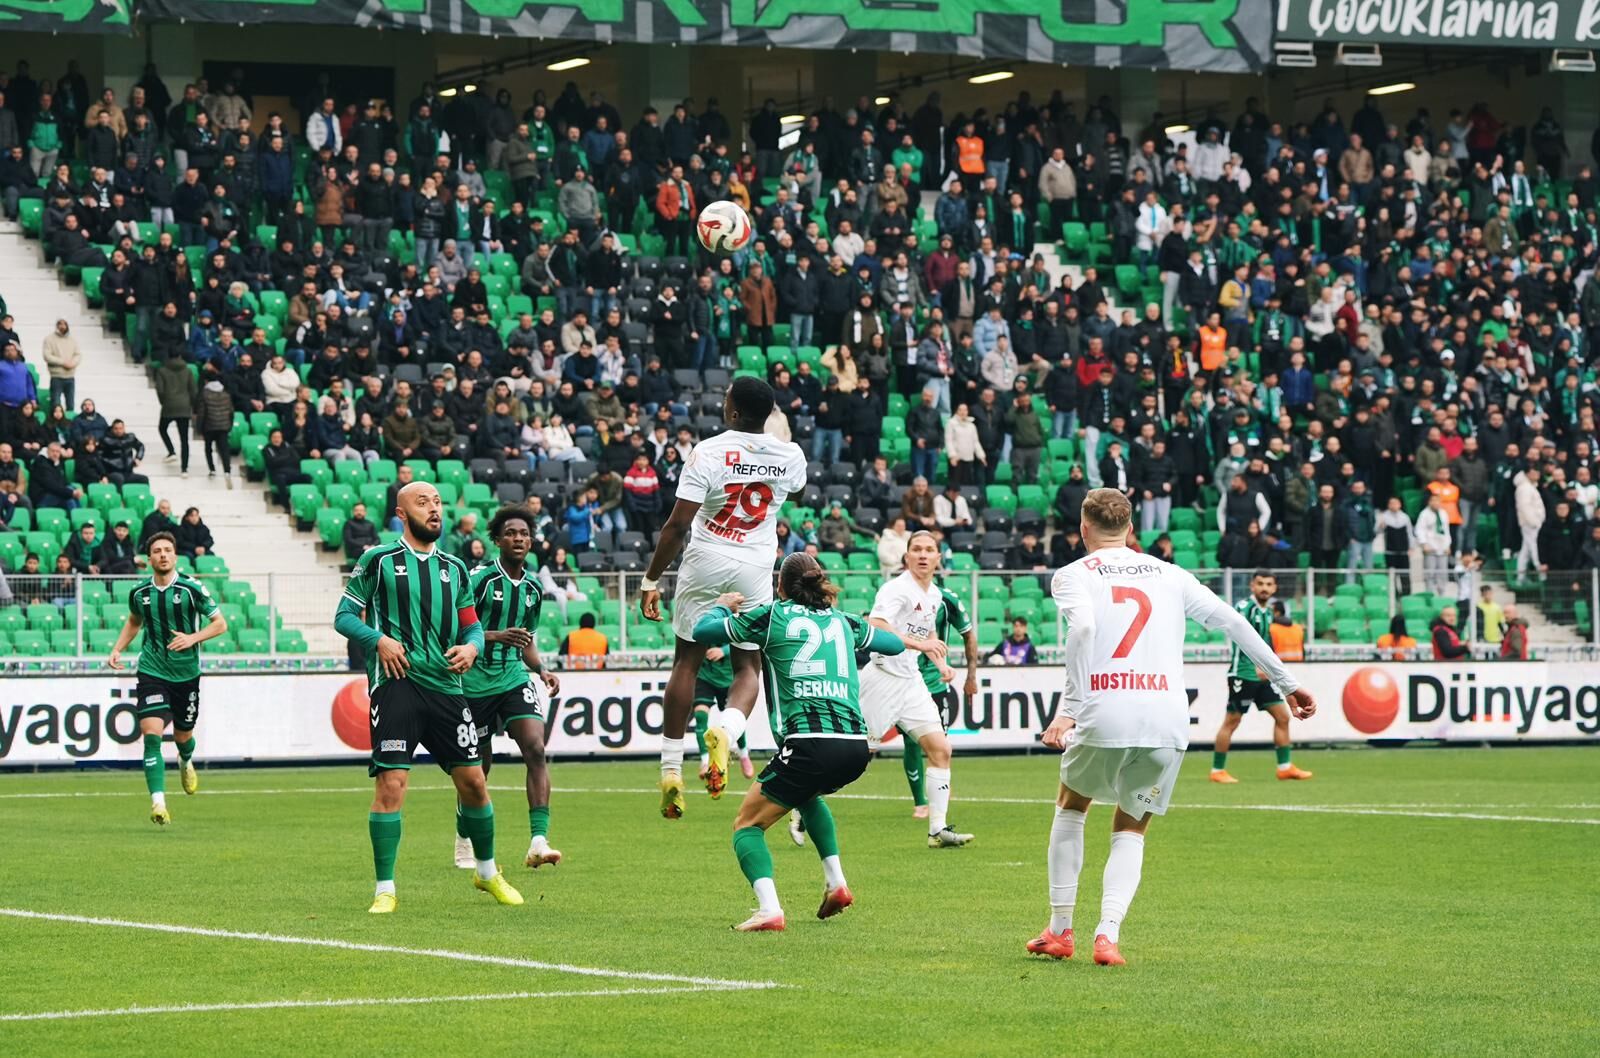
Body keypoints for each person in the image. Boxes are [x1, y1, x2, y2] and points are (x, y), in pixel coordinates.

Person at [1033, 489, 1315, 965]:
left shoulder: (1073, 575)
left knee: (1072, 806)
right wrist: (1287, 681)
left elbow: (1080, 630)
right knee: (1132, 826)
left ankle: (1061, 929)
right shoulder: (1170, 573)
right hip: (1167, 717)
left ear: (1083, 529)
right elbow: (1232, 622)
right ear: (1130, 529)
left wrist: (1069, 709)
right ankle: (1108, 934)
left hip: (1105, 709)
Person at [690, 552, 907, 932]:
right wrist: (862, 627)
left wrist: (721, 607)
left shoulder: (773, 616)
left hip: (809, 741)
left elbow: (703, 633)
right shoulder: (844, 622)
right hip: (856, 745)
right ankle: (836, 882)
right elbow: (892, 645)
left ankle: (769, 909)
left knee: (746, 826)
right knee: (805, 796)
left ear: (780, 586)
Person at [333, 481, 522, 914]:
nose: (434, 509)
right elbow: (343, 616)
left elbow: (471, 625)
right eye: (423, 503)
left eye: (437, 502)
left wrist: (473, 646)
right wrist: (379, 640)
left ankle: (487, 871)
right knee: (392, 784)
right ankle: (385, 888)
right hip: (396, 684)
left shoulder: (455, 569)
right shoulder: (377, 560)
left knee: (474, 782)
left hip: (447, 688)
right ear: (402, 514)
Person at [638, 377, 808, 818]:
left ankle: (671, 769)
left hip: (707, 557)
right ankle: (728, 732)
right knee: (747, 665)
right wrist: (773, 452)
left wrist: (651, 579)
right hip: (755, 565)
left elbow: (676, 526)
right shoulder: (790, 454)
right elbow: (799, 489)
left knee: (686, 662)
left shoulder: (708, 451)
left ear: (732, 412)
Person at [456, 507, 564, 873]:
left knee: (535, 747)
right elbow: (452, 629)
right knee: (477, 770)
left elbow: (526, 641)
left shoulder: (534, 589)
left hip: (513, 676)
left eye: (524, 533)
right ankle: (464, 837)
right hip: (475, 681)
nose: (519, 538)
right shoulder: (481, 580)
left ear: (531, 541)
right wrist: (493, 635)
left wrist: (542, 669)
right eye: (511, 533)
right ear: (497, 540)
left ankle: (538, 839)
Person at [860, 531, 975, 848]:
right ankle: (804, 803)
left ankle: (937, 830)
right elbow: (877, 624)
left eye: (929, 550)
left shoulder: (936, 595)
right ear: (907, 556)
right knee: (853, 759)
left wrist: (940, 663)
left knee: (941, 749)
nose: (923, 555)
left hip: (911, 681)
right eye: (917, 550)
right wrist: (920, 643)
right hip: (882, 677)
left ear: (939, 558)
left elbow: (930, 633)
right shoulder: (896, 589)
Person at [106, 531, 228, 826]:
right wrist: (117, 649)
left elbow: (220, 624)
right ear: (149, 559)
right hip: (152, 670)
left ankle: (185, 760)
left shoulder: (191, 589)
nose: (162, 554)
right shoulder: (139, 593)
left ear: (175, 556)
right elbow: (135, 621)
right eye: (157, 551)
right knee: (151, 736)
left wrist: (192, 638)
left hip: (186, 674)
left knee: (183, 736)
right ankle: (158, 803)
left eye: (167, 550)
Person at [1208, 569, 1313, 783]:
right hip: (1243, 674)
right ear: (1252, 586)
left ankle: (1284, 767)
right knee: (1232, 720)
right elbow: (1239, 638)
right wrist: (1257, 666)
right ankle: (1217, 770)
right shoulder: (1244, 608)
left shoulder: (1267, 612)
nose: (1264, 588)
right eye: (1260, 584)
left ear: (1274, 588)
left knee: (1283, 717)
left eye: (1268, 584)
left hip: (1263, 676)